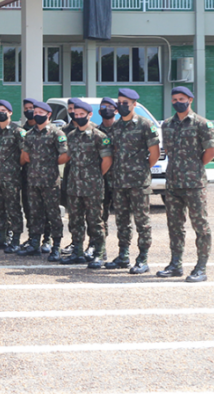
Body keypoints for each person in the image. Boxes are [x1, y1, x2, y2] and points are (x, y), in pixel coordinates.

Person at [157, 86, 214, 283]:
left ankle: (201, 267)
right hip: (173, 183)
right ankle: (175, 264)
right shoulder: (166, 125)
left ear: (190, 100)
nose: (177, 102)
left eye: (181, 98)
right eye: (174, 99)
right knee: (174, 226)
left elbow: (210, 152)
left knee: (200, 225)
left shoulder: (202, 124)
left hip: (194, 183)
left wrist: (194, 167)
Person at [104, 88, 161, 274]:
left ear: (134, 104)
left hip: (138, 182)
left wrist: (142, 170)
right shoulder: (116, 126)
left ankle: (143, 258)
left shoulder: (144, 125)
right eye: (119, 102)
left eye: (125, 103)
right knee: (122, 221)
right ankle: (123, 255)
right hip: (119, 182)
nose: (121, 106)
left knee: (141, 221)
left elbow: (154, 153)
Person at [60, 101, 112, 268]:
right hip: (74, 186)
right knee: (75, 221)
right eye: (76, 114)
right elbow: (68, 158)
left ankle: (99, 254)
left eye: (83, 115)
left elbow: (107, 160)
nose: (79, 117)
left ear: (90, 115)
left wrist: (95, 176)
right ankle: (78, 253)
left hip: (93, 187)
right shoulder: (71, 136)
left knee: (95, 221)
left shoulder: (99, 136)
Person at [20, 101, 68, 259]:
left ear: (48, 115)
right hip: (33, 180)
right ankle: (34, 243)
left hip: (50, 181)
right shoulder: (30, 134)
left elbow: (64, 155)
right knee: (35, 213)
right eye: (35, 112)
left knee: (53, 214)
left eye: (41, 113)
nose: (37, 115)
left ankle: (56, 246)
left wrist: (49, 164)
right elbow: (25, 155)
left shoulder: (56, 133)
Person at [0, 100, 27, 253]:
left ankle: (15, 239)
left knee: (13, 209)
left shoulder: (18, 131)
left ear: (10, 112)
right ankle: (1, 238)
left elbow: (24, 153)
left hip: (11, 177)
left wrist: (16, 166)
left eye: (3, 110)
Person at [97, 96, 119, 237]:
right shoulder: (96, 132)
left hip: (120, 178)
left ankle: (123, 252)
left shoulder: (121, 130)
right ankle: (100, 248)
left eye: (110, 107)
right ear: (99, 112)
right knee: (99, 215)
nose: (107, 110)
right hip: (102, 178)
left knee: (122, 217)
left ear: (116, 111)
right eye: (104, 107)